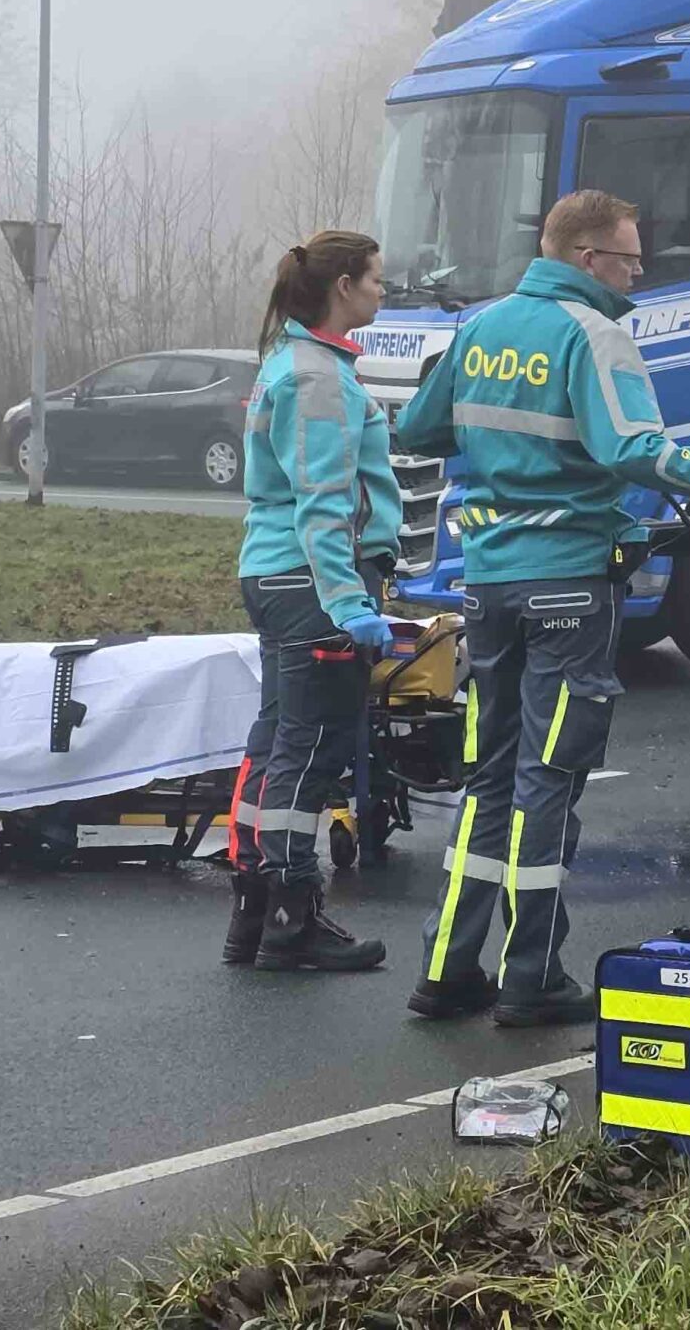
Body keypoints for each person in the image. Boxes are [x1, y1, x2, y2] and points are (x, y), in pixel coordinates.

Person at [394, 189, 690, 1025]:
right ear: (588, 258)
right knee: (547, 783)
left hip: (488, 586)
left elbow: (418, 428)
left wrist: (503, 451)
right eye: (630, 257)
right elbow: (633, 449)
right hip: (568, 582)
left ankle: (446, 968)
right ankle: (531, 975)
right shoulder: (594, 334)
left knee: (488, 778)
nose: (638, 273)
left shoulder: (480, 326)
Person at [225, 230, 402, 974]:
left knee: (275, 742)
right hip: (310, 581)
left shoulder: (289, 363)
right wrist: (347, 600)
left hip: (275, 573)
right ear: (343, 288)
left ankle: (254, 913)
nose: (384, 291)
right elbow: (323, 502)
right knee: (311, 749)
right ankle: (296, 914)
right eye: (376, 280)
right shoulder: (319, 378)